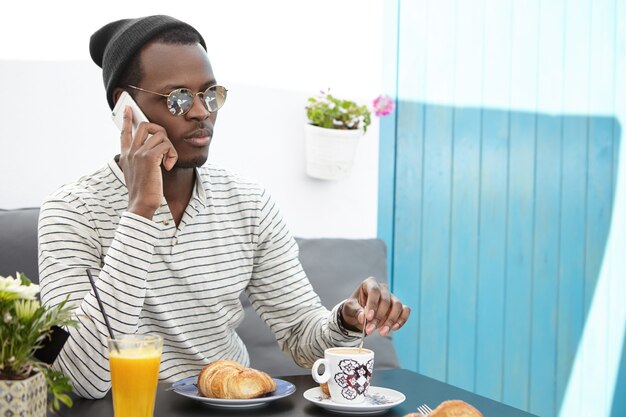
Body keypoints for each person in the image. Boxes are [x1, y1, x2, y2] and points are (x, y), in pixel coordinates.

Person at [38, 15, 411, 399]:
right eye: (178, 98)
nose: (201, 112)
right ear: (125, 106)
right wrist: (141, 211)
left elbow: (304, 338)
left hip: (230, 406)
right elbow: (80, 380)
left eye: (210, 94)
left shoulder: (249, 204)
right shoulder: (71, 212)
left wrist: (347, 320)